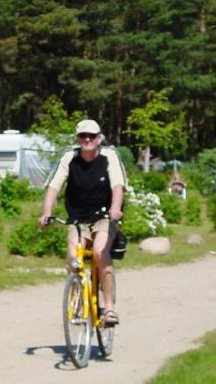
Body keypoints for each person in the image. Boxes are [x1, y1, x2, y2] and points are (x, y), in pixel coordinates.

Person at [38, 119, 127, 326]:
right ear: (78, 138)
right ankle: (77, 294)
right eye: (83, 136)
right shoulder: (69, 158)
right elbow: (53, 187)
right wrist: (47, 213)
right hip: (77, 219)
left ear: (99, 138)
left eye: (92, 136)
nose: (87, 140)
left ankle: (109, 309)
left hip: (104, 216)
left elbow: (118, 186)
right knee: (72, 258)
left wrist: (115, 209)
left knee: (99, 252)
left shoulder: (109, 157)